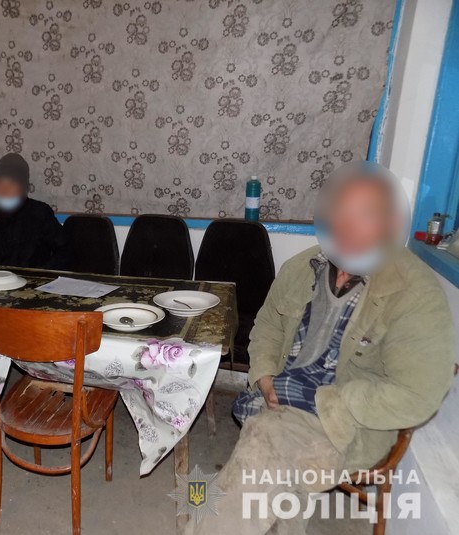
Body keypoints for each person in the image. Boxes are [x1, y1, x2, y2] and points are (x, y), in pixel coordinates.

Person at [187, 162, 455, 534]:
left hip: (345, 424)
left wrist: (332, 403)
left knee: (261, 446)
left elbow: (417, 394)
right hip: (279, 396)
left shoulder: (415, 293)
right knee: (268, 461)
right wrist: (264, 376)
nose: (347, 227)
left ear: (390, 224)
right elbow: (267, 326)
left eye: (364, 215)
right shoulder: (303, 266)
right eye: (340, 212)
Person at [0, 152, 71, 269]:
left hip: (29, 279)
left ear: (23, 187)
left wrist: (43, 272)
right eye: (0, 183)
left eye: (12, 184)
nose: (4, 190)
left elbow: (65, 249)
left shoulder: (39, 213)